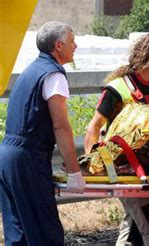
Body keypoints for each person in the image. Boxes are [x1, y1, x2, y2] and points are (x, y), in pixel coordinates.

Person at [0, 21, 85, 245]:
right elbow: (60, 125)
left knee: (18, 235)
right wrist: (75, 171)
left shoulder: (31, 70)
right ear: (58, 45)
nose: (75, 46)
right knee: (45, 233)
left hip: (8, 156)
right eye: (72, 41)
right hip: (28, 157)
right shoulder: (53, 74)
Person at [84, 32, 149, 246]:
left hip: (147, 171)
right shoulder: (118, 89)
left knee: (134, 229)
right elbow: (93, 128)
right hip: (120, 170)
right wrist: (92, 167)